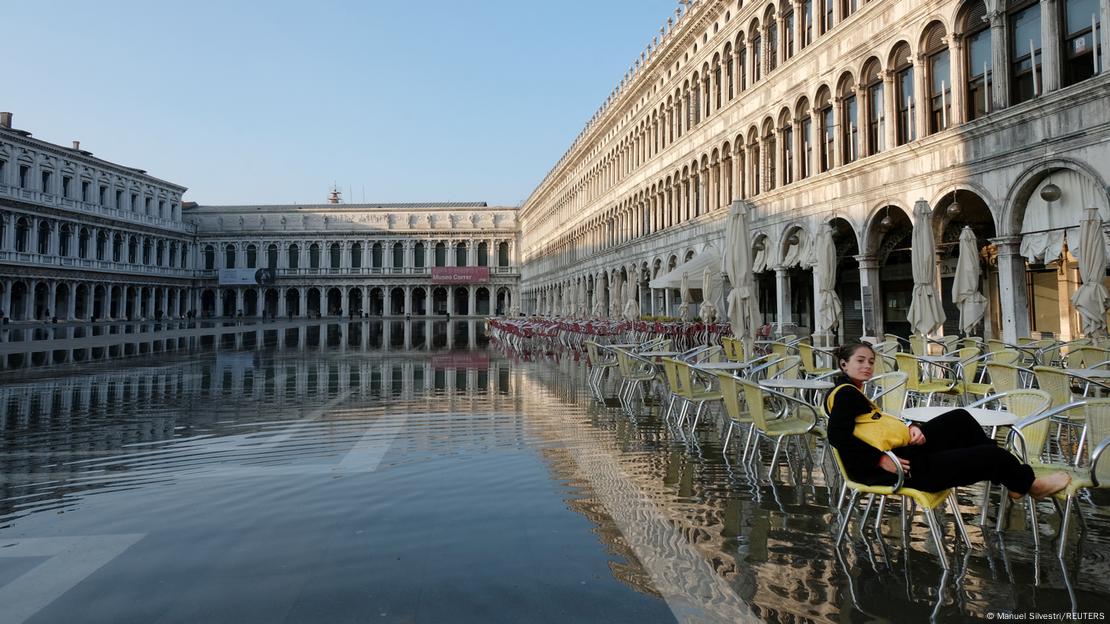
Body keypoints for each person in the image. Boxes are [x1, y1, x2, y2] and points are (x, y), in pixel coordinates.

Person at [825, 341, 1070, 500]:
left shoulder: (847, 391)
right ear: (843, 364)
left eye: (870, 361)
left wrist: (912, 428)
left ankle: (1010, 475)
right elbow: (837, 435)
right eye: (860, 361)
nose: (867, 366)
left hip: (900, 455)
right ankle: (1029, 485)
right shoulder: (847, 395)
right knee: (991, 455)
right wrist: (879, 460)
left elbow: (872, 429)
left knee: (960, 418)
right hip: (899, 470)